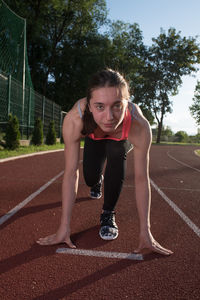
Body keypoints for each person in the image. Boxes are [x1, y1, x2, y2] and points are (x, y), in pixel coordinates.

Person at [37, 68, 173, 255]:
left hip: (119, 141)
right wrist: (64, 227)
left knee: (116, 151)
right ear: (90, 105)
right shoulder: (75, 119)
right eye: (100, 106)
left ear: (127, 103)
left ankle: (108, 212)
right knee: (90, 177)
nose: (109, 117)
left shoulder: (139, 125)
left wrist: (146, 231)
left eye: (117, 106)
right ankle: (97, 182)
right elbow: (70, 173)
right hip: (94, 137)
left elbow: (142, 178)